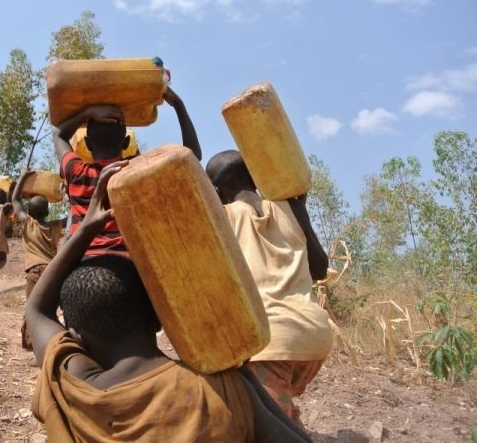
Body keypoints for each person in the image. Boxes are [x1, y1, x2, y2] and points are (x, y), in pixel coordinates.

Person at [25, 161, 311, 442]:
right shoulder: (221, 390)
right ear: (159, 319)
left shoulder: (70, 387)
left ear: (74, 337)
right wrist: (246, 382)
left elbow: (37, 309)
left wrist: (87, 228)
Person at [206, 150, 333, 426]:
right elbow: (320, 268)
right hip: (314, 336)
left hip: (271, 342)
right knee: (273, 408)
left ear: (215, 191)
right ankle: (288, 420)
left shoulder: (221, 217)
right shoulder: (291, 207)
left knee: (263, 425)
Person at [52, 87, 202, 257]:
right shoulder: (139, 172)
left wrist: (89, 112)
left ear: (86, 144)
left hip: (83, 260)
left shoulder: (76, 172)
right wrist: (178, 105)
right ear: (126, 143)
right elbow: (193, 156)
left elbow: (58, 135)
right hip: (129, 262)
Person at [11, 169, 65, 352]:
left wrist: (23, 177)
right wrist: (66, 190)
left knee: (33, 312)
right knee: (49, 312)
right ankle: (56, 343)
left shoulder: (28, 223)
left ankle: (37, 351)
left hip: (35, 273)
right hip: (54, 273)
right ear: (48, 210)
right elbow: (74, 212)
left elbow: (15, 200)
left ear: (29, 211)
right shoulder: (56, 225)